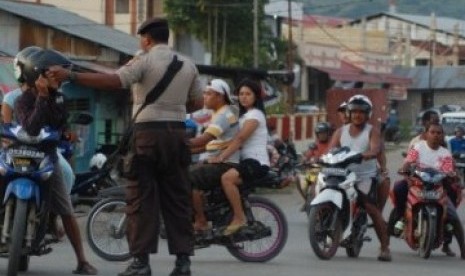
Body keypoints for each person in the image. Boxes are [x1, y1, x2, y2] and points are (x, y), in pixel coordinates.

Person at [48, 17, 204, 276]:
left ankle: (141, 264)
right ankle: (183, 263)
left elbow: (114, 82)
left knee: (140, 199)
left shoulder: (143, 60)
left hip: (147, 136)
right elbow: (197, 103)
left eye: (140, 39)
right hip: (177, 136)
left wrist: (72, 75)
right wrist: (172, 109)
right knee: (178, 200)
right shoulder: (188, 64)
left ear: (147, 38)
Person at [14, 48, 97, 275]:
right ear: (37, 75)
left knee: (66, 209)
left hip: (47, 157)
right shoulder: (23, 99)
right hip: (19, 153)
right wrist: (41, 97)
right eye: (54, 75)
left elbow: (58, 125)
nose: (59, 80)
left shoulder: (60, 98)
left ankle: (82, 260)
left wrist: (47, 98)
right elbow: (30, 127)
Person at [328, 94, 391, 262]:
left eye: (361, 112)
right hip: (342, 174)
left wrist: (365, 155)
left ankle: (385, 247)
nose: (357, 115)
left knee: (371, 208)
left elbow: (375, 149)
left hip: (364, 177)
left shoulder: (372, 131)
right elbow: (330, 150)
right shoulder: (340, 131)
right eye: (353, 111)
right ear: (348, 113)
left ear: (368, 114)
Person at [207, 79, 270, 235]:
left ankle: (240, 217)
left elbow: (240, 139)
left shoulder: (255, 115)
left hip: (256, 162)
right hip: (244, 161)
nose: (244, 97)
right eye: (241, 94)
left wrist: (221, 157)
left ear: (256, 96)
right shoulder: (241, 116)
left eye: (248, 94)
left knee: (227, 179)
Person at [393, 123, 465, 258]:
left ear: (442, 135)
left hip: (437, 187)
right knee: (398, 188)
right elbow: (408, 161)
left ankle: (462, 249)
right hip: (417, 183)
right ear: (426, 134)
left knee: (453, 216)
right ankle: (400, 217)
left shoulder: (445, 153)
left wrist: (452, 175)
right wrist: (405, 169)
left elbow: (449, 170)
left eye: (439, 133)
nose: (436, 135)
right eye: (433, 132)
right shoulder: (418, 147)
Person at [188, 79, 240, 233]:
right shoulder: (218, 113)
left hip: (225, 163)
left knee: (187, 178)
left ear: (220, 96)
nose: (205, 96)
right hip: (215, 161)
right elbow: (208, 145)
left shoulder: (224, 115)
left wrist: (177, 142)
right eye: (204, 93)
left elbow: (205, 139)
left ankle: (201, 220)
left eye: (209, 94)